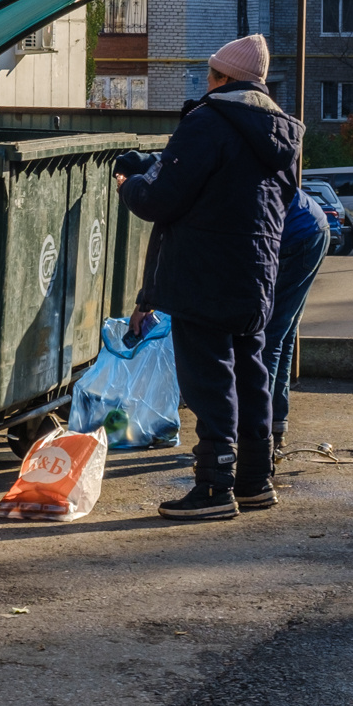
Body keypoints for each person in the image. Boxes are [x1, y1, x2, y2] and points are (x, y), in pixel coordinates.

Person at [118, 33, 299, 520]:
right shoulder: (283, 133)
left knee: (209, 379)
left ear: (221, 78)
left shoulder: (207, 121)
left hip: (201, 272)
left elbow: (160, 201)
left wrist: (130, 183)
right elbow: (280, 200)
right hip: (257, 270)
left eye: (209, 75)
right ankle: (256, 481)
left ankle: (216, 488)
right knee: (249, 373)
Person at [265, 182, 330, 465]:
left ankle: (259, 432)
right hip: (310, 226)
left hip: (297, 236)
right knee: (283, 333)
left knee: (270, 335)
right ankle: (274, 425)